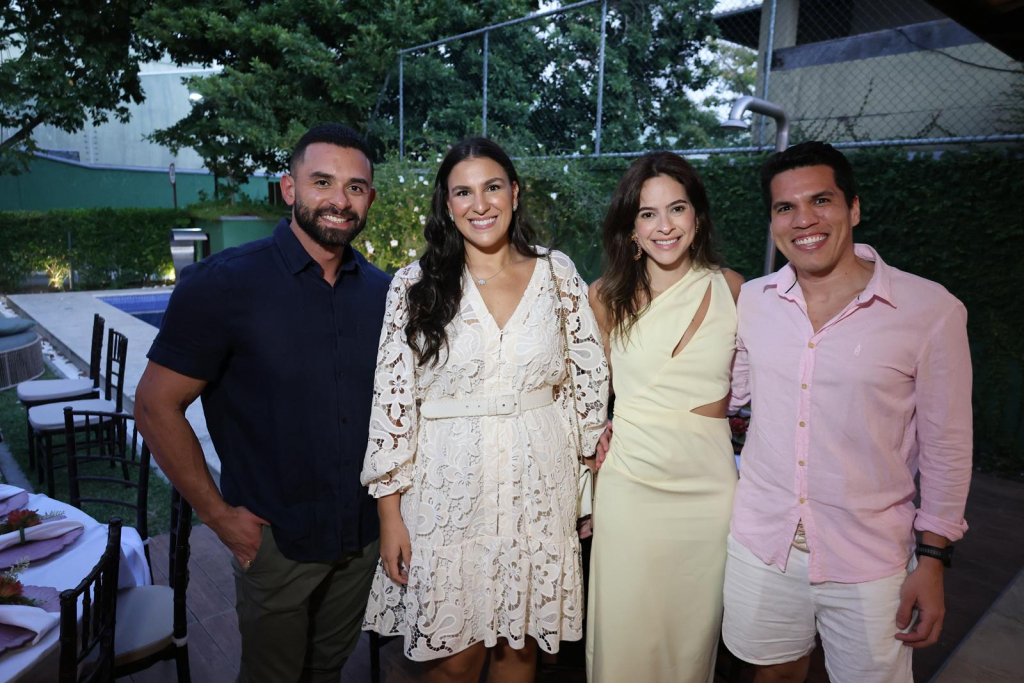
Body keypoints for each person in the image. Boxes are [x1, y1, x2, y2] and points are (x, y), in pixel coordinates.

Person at [134, 124, 390, 683]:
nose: (339, 200)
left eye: (355, 187)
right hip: (276, 541)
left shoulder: (383, 293)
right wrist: (219, 517)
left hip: (362, 537)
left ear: (369, 197)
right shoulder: (222, 286)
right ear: (289, 188)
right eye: (322, 182)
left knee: (327, 670)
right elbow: (155, 407)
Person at [722, 141, 973, 683]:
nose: (803, 220)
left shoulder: (930, 310)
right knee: (768, 675)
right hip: (763, 542)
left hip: (869, 557)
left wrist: (933, 560)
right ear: (771, 219)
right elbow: (724, 393)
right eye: (784, 207)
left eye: (822, 200)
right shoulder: (755, 301)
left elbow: (948, 448)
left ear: (853, 208)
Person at [360, 137, 609, 682]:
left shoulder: (557, 273)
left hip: (538, 490)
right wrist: (389, 514)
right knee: (452, 661)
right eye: (463, 192)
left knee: (518, 653)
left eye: (493, 187)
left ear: (514, 194)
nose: (480, 203)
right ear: (447, 205)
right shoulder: (413, 285)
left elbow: (587, 378)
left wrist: (589, 477)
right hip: (448, 494)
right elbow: (392, 402)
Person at [586, 151, 744, 683]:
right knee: (624, 636)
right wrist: (592, 449)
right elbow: (583, 397)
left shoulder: (735, 288)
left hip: (708, 493)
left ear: (697, 217)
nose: (664, 225)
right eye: (647, 214)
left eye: (676, 208)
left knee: (689, 643)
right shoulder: (604, 298)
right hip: (630, 486)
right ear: (631, 228)